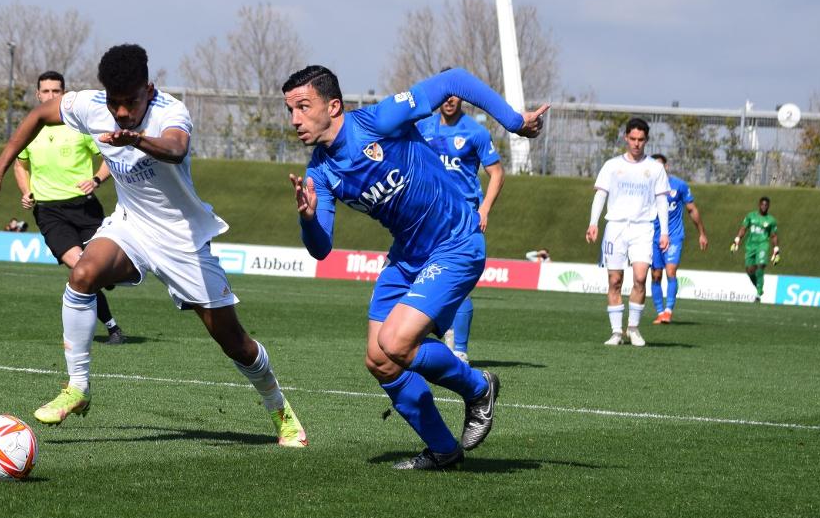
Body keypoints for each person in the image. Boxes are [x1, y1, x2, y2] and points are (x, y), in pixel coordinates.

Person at [0, 44, 306, 447]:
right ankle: (78, 388)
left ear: (148, 89)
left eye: (129, 102)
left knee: (233, 341)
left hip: (181, 239)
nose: (120, 112)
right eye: (114, 103)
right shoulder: (91, 105)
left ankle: (278, 406)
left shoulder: (171, 111)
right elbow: (40, 115)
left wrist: (136, 139)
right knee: (83, 274)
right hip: (130, 226)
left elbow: (176, 147)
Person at [283, 65, 547, 471]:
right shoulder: (321, 172)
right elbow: (321, 249)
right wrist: (308, 217)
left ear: (333, 106)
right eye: (290, 111)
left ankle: (478, 388)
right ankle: (443, 450)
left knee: (395, 343)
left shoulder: (378, 120)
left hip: (455, 242)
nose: (295, 120)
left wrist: (514, 122)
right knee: (379, 358)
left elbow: (454, 78)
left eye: (303, 107)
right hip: (406, 256)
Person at [15, 71, 127, 345]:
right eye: (46, 92)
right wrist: (26, 191)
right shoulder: (31, 128)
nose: (51, 96)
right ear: (38, 94)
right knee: (81, 270)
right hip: (49, 213)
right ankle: (112, 328)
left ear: (64, 94)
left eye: (57, 91)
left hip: (86, 209)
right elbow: (19, 163)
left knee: (97, 271)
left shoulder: (81, 126)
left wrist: (97, 179)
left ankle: (107, 280)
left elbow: (109, 157)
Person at [417, 93, 505, 363]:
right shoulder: (423, 127)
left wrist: (484, 209)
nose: (449, 101)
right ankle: (424, 336)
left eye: (455, 96)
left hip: (463, 216)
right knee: (421, 277)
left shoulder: (475, 132)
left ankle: (460, 351)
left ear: (462, 99)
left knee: (460, 283)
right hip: (427, 214)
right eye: (445, 95)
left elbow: (497, 173)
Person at [586, 118, 669, 347]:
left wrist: (664, 232)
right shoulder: (612, 166)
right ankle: (616, 332)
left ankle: (633, 328)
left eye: (641, 140)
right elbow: (600, 195)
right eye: (632, 139)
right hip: (616, 227)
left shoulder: (655, 168)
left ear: (647, 140)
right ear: (625, 138)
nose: (636, 144)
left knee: (641, 277)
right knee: (615, 280)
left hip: (643, 227)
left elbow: (662, 200)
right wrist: (593, 223)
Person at [648, 154, 709, 323]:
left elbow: (692, 210)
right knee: (656, 276)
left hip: (674, 236)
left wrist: (702, 233)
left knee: (671, 271)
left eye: (660, 166)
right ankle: (660, 313)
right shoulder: (646, 186)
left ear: (666, 167)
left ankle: (668, 311)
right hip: (651, 237)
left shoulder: (679, 185)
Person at [731, 196, 780, 302]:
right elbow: (743, 228)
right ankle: (758, 287)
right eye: (762, 204)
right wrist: (737, 240)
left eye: (766, 205)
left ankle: (758, 292)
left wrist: (776, 249)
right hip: (750, 246)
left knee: (760, 265)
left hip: (762, 245)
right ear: (759, 205)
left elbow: (774, 235)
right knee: (749, 270)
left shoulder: (771, 220)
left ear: (768, 207)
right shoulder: (750, 216)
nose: (764, 207)